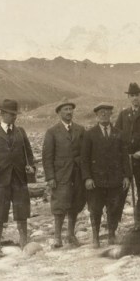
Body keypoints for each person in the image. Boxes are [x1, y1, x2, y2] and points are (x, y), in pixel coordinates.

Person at [0, 99, 36, 257]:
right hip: (0, 180)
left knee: (22, 211)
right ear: (3, 114)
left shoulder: (20, 132)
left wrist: (31, 166)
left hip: (19, 178)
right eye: (11, 114)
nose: (14, 117)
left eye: (15, 114)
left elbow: (29, 154)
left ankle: (23, 242)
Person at [81, 102, 131, 248]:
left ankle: (111, 235)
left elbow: (124, 157)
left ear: (111, 114)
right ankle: (95, 237)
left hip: (115, 179)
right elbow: (84, 158)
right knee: (95, 209)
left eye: (107, 112)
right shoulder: (89, 134)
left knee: (114, 207)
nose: (104, 114)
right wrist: (87, 177)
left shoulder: (118, 133)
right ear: (96, 115)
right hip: (96, 180)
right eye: (101, 112)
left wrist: (126, 176)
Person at [42, 99, 86, 248]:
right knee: (59, 205)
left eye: (70, 109)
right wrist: (50, 177)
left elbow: (85, 153)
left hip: (77, 174)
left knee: (75, 203)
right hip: (61, 175)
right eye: (65, 109)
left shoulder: (80, 130)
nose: (69, 112)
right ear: (59, 113)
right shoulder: (52, 132)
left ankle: (71, 235)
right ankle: (57, 237)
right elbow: (47, 157)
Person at [115, 82, 140, 225]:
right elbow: (117, 135)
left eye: (137, 95)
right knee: (122, 190)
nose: (134, 98)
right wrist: (123, 154)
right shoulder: (123, 114)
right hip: (127, 160)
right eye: (131, 96)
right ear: (128, 97)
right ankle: (115, 223)